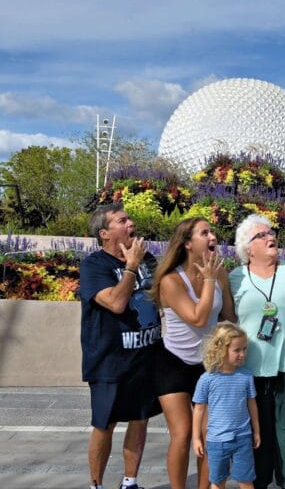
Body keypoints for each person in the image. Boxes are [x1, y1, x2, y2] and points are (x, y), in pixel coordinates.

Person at [79, 202, 162, 489]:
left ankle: (130, 482)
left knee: (140, 420)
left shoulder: (148, 259)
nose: (131, 223)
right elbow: (115, 303)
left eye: (129, 219)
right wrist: (131, 267)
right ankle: (97, 485)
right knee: (106, 424)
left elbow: (164, 295)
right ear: (104, 233)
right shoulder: (94, 265)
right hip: (109, 361)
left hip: (145, 357)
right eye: (122, 220)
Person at [149, 217, 235, 489]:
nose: (213, 237)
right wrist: (209, 279)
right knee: (183, 433)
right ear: (187, 243)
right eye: (204, 233)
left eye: (212, 232)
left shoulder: (220, 274)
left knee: (210, 435)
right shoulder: (171, 280)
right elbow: (198, 318)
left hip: (207, 365)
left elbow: (229, 317)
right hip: (173, 362)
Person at [229, 214, 285, 489]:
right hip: (251, 369)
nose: (270, 237)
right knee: (257, 435)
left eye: (271, 232)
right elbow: (229, 320)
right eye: (261, 235)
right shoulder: (235, 278)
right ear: (248, 248)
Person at [192, 322, 261, 489]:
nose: (242, 354)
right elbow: (199, 410)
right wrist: (196, 438)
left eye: (244, 349)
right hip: (216, 441)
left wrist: (256, 431)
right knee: (217, 482)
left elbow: (252, 405)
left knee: (246, 480)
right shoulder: (207, 379)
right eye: (237, 350)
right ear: (221, 350)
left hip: (243, 438)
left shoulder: (246, 376)